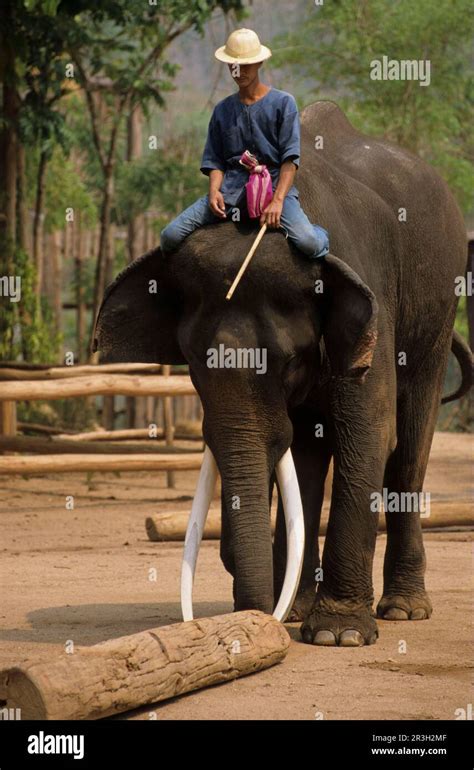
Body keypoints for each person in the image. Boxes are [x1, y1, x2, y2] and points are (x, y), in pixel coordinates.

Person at [160, 28, 329, 259]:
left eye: (247, 64)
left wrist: (278, 201)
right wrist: (213, 192)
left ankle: (324, 235)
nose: (240, 71)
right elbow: (215, 160)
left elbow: (290, 158)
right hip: (232, 190)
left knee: (308, 242)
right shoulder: (222, 110)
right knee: (169, 236)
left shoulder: (284, 103)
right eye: (234, 65)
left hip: (273, 186)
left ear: (259, 63)